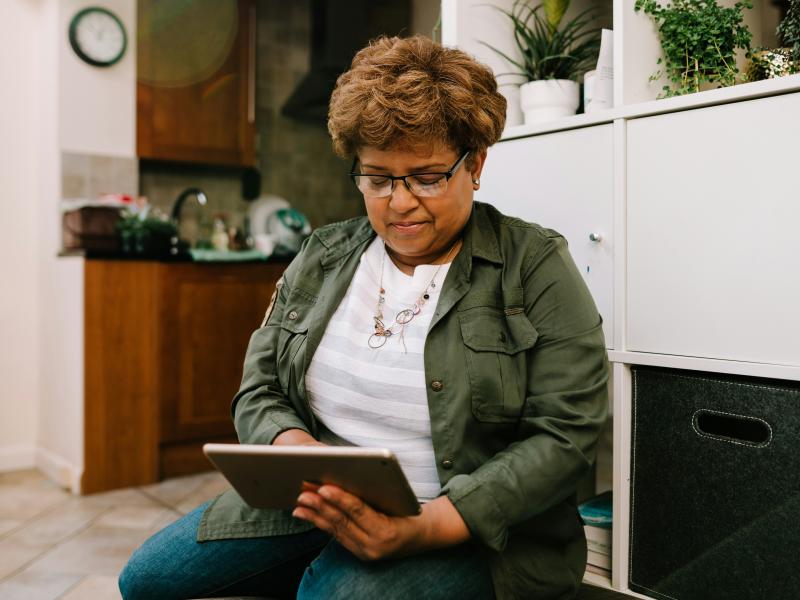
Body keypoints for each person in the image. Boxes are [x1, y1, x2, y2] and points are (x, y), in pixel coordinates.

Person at [119, 35, 608, 600]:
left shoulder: (534, 263)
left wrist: (428, 526)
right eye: (377, 179)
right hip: (313, 504)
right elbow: (260, 387)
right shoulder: (324, 255)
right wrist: (294, 449)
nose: (399, 203)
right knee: (147, 581)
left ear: (475, 164)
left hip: (468, 528)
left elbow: (565, 434)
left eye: (426, 178)